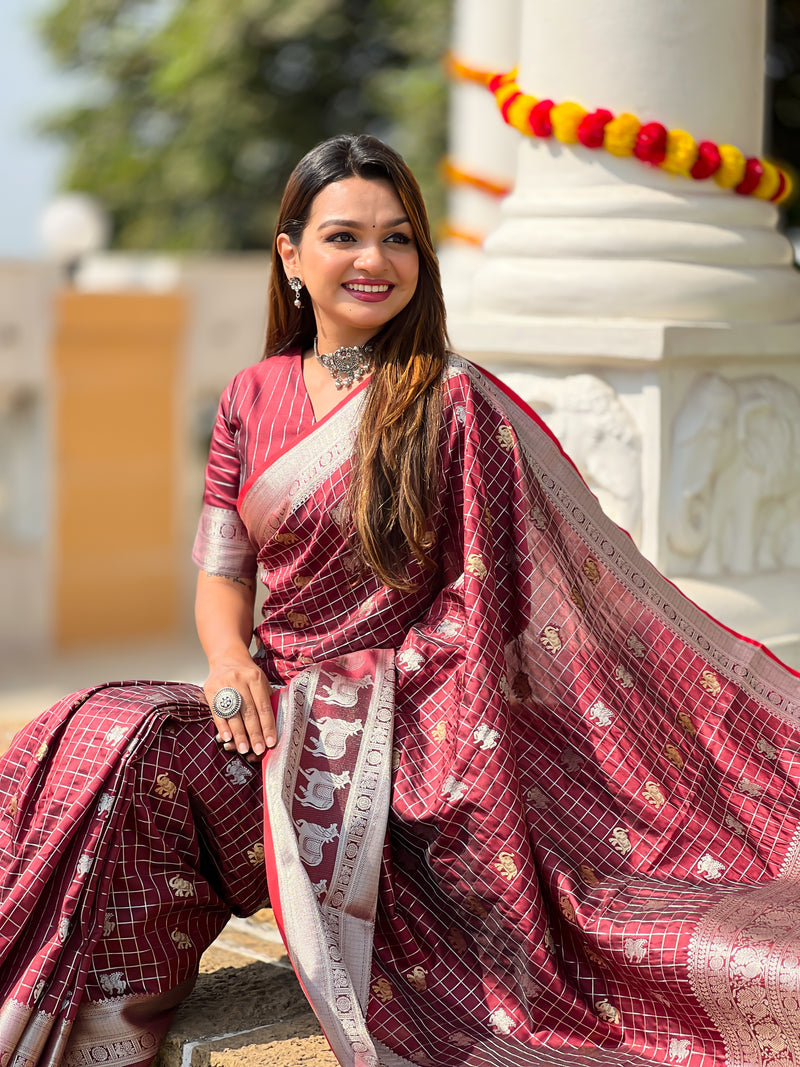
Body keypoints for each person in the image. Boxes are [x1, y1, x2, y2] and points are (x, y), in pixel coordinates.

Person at [2, 133, 800, 1067]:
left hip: (402, 750)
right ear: (291, 254)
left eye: (398, 238)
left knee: (128, 739)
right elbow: (224, 573)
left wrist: (348, 701)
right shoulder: (249, 396)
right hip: (268, 721)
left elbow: (485, 611)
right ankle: (79, 1035)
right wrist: (227, 661)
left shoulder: (453, 401)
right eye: (344, 236)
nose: (373, 260)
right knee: (103, 731)